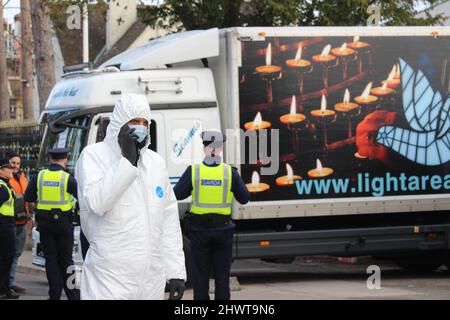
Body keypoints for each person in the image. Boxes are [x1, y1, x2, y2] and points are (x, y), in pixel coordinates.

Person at [75, 93, 186, 300]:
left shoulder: (156, 163)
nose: (141, 126)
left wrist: (176, 271)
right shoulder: (93, 157)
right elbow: (97, 203)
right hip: (109, 278)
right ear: (119, 123)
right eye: (134, 121)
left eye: (145, 122)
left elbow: (168, 221)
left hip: (151, 280)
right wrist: (127, 163)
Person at [174, 130, 250, 300]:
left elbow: (176, 195)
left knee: (200, 277)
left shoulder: (194, 171)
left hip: (199, 233)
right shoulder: (230, 172)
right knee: (222, 277)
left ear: (204, 148)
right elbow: (244, 198)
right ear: (221, 148)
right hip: (223, 232)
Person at [24, 148, 80, 300]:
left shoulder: (39, 177)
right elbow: (81, 199)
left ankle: (54, 295)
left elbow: (28, 196)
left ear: (50, 159)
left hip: (45, 224)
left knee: (51, 259)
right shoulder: (68, 178)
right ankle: (73, 296)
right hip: (64, 224)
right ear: (65, 160)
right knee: (67, 260)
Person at [7, 152, 29, 294]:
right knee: (7, 253)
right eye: (13, 163)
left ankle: (11, 282)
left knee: (16, 254)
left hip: (23, 221)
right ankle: (7, 283)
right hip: (9, 222)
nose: (15, 166)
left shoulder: (23, 178)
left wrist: (31, 217)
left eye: (18, 163)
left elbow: (28, 199)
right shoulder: (4, 179)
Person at [0, 162, 19, 299]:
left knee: (7, 258)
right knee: (6, 258)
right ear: (1, 170)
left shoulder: (5, 184)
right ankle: (2, 290)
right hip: (4, 225)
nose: (12, 170)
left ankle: (5, 289)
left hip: (8, 225)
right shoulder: (1, 187)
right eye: (9, 168)